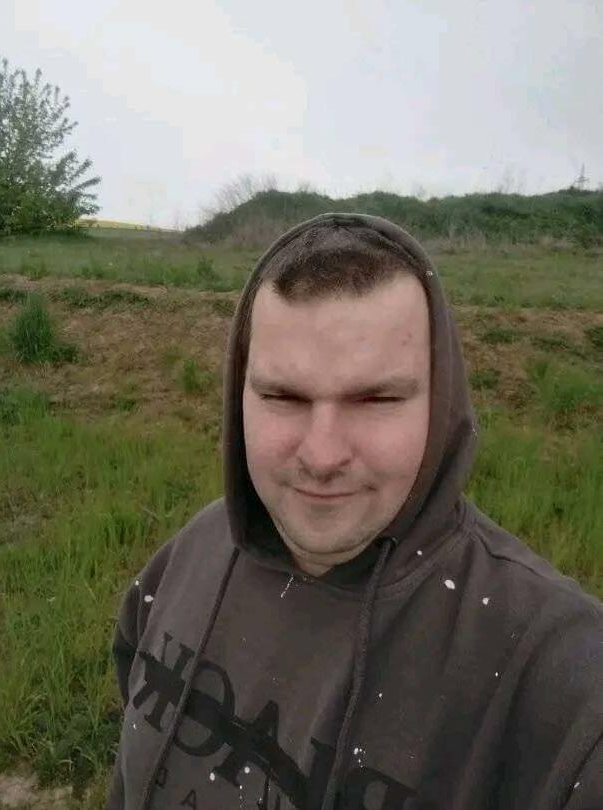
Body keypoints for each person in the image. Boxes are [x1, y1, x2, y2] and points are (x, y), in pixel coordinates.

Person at [106, 213, 602, 810]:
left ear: (441, 405)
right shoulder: (192, 553)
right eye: (283, 396)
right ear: (239, 395)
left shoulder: (561, 682)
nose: (322, 456)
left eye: (376, 399)